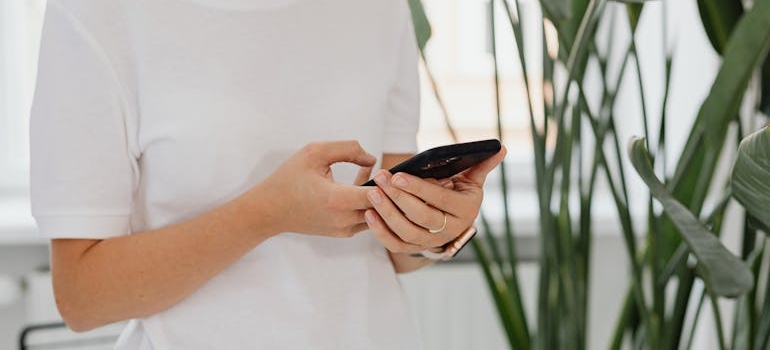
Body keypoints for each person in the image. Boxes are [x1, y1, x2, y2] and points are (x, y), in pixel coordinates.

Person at [29, 0, 506, 348]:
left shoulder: (380, 9)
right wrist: (265, 215)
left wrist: (437, 227)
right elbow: (81, 297)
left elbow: (395, 250)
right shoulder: (95, 13)